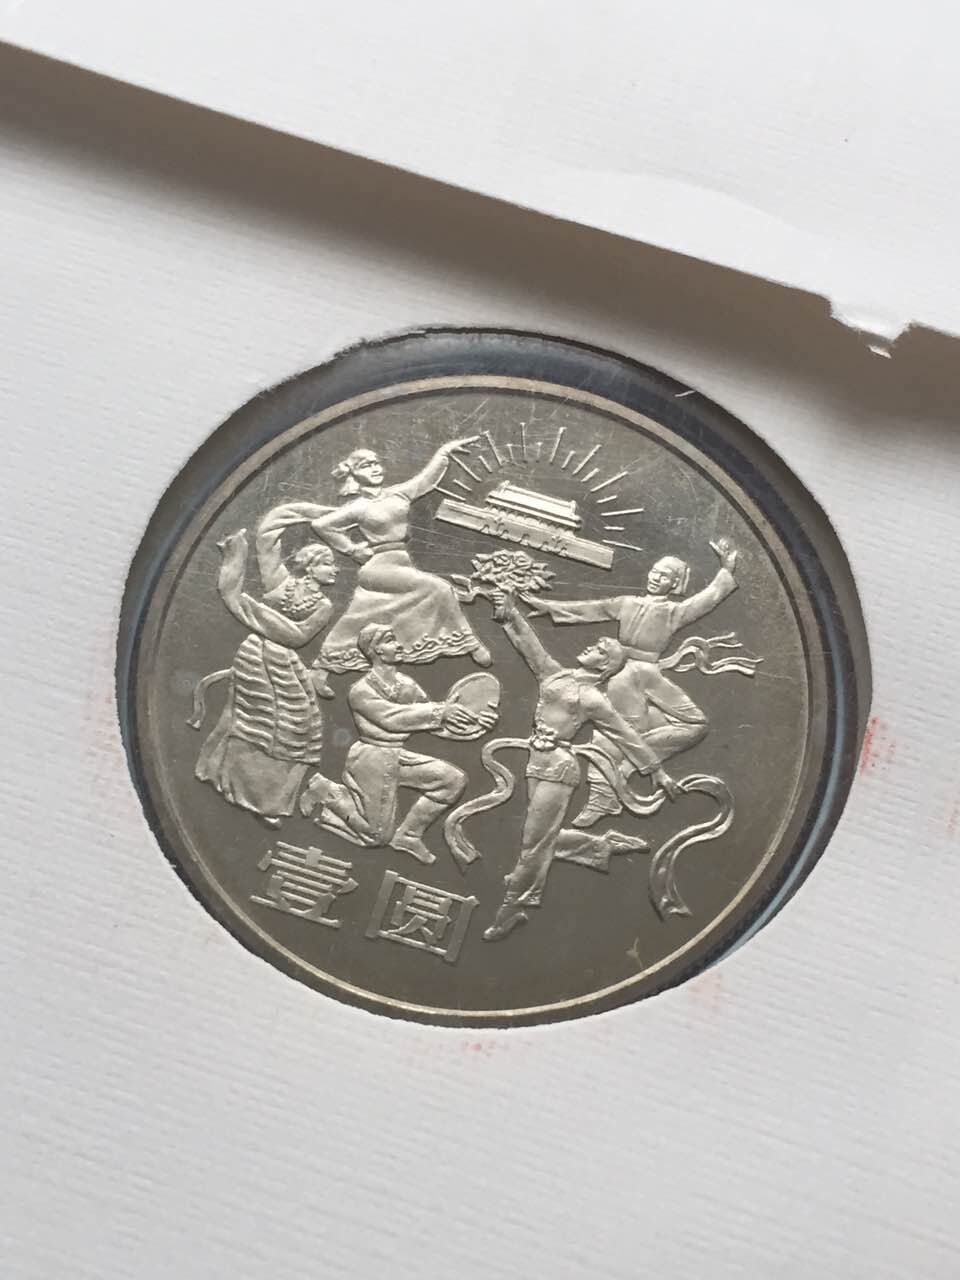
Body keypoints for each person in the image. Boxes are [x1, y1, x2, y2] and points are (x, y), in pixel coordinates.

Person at [482, 595, 678, 942]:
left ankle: (513, 907)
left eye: (599, 650)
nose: (589, 647)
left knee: (534, 842)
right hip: (536, 761)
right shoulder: (556, 676)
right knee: (539, 837)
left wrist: (656, 771)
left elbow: (626, 736)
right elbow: (530, 648)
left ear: (604, 667)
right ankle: (602, 847)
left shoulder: (592, 699)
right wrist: (509, 613)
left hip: (559, 768)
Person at [527, 538, 739, 827]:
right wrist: (547, 607)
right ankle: (603, 797)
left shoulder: (674, 612)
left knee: (695, 724)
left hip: (647, 673)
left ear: (674, 584)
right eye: (655, 571)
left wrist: (727, 570)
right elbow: (591, 609)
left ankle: (626, 768)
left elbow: (709, 598)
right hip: (621, 674)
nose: (656, 578)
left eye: (665, 576)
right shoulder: (627, 603)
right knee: (616, 729)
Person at [278, 438, 492, 671]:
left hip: (401, 561)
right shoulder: (358, 507)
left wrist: (443, 452)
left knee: (367, 612)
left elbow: (426, 481)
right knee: (439, 588)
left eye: (376, 463)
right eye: (366, 465)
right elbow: (321, 525)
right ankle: (471, 644)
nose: (375, 468)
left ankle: (326, 665)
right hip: (379, 565)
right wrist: (352, 549)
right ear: (354, 474)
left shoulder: (398, 494)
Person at [300, 624, 494, 863]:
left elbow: (432, 723)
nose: (399, 645)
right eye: (390, 640)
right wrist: (440, 712)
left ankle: (408, 835)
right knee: (375, 836)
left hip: (398, 756)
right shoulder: (361, 691)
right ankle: (325, 791)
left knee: (452, 780)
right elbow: (392, 719)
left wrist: (474, 721)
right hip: (371, 759)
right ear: (376, 650)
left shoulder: (407, 685)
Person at [194, 510, 338, 825]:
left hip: (285, 662)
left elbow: (298, 637)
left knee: (298, 726)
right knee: (254, 722)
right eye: (328, 563)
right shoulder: (281, 583)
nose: (335, 570)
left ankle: (269, 799)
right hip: (256, 657)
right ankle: (238, 789)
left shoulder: (324, 606)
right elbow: (269, 536)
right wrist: (318, 514)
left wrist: (253, 610)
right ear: (311, 566)